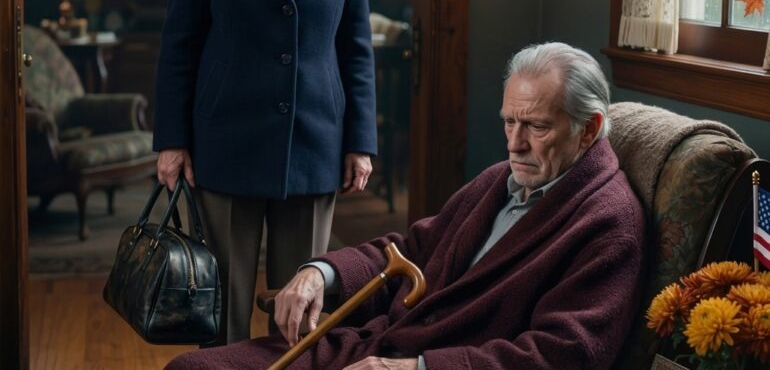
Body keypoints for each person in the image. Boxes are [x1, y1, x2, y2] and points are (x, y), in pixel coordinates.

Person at [165, 43, 647, 369]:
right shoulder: (500, 180)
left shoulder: (609, 224)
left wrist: (417, 367)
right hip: (370, 345)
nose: (514, 144)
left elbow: (566, 354)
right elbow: (410, 251)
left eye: (536, 127)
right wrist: (321, 273)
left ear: (588, 128)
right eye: (508, 122)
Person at [152, 0, 377, 346]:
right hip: (225, 137)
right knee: (221, 310)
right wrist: (172, 139)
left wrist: (360, 140)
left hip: (315, 140)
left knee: (302, 310)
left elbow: (356, 44)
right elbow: (181, 35)